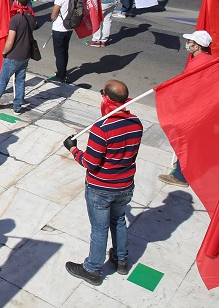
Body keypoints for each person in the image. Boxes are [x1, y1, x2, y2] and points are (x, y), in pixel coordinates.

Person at [63, 79, 142, 285]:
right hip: (125, 185)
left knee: (99, 228)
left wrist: (73, 149)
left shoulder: (102, 128)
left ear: (106, 98)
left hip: (101, 188)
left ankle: (92, 269)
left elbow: (90, 162)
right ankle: (121, 259)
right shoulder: (136, 123)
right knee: (119, 221)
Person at [158, 30, 213, 188]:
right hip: (200, 108)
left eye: (190, 42)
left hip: (193, 110)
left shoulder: (198, 63)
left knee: (186, 142)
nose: (188, 44)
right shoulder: (207, 59)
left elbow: (189, 89)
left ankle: (181, 176)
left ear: (197, 46)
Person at [49, 0, 78, 84]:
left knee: (59, 53)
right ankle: (63, 72)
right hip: (70, 27)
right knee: (65, 51)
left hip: (59, 28)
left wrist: (53, 18)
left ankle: (61, 76)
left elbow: (53, 15)